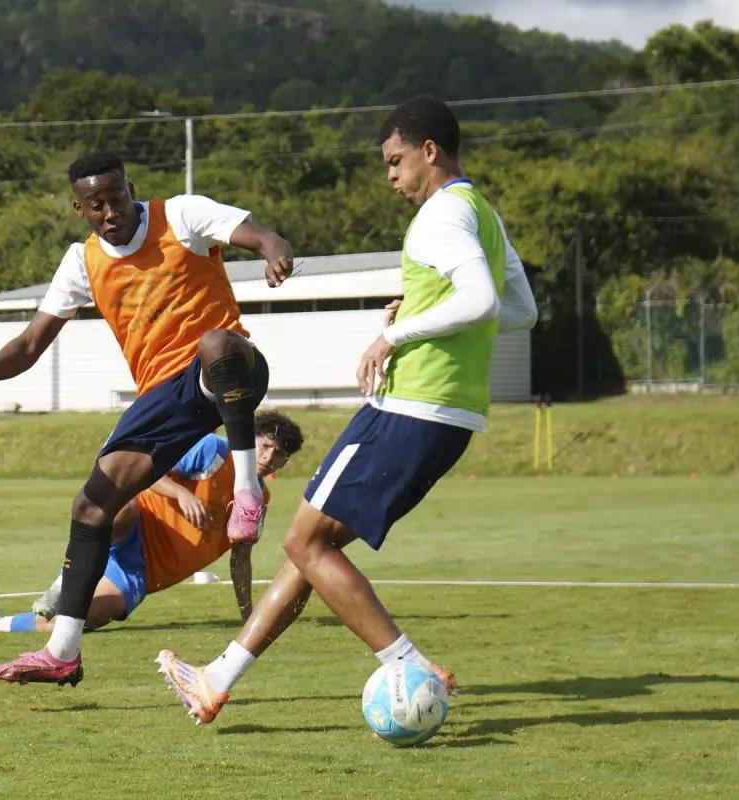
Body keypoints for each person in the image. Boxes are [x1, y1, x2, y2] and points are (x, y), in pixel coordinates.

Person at [155, 96, 538, 725]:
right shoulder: (482, 215)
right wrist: (417, 312)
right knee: (312, 548)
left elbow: (480, 302)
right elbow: (520, 310)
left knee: (306, 541)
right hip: (451, 416)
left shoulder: (441, 216)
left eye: (395, 161)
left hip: (410, 407)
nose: (390, 175)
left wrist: (397, 334)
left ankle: (408, 666)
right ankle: (216, 679)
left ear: (430, 152)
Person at [0, 152, 295, 685]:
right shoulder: (81, 262)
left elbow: (255, 234)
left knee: (216, 341)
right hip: (165, 400)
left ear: (129, 189)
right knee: (91, 508)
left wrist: (275, 250)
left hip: (232, 370)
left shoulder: (181, 216)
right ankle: (63, 652)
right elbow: (30, 341)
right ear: (80, 210)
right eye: (97, 205)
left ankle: (247, 493)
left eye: (117, 198)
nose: (111, 211)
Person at [0, 413, 304, 647]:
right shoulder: (213, 450)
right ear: (248, 438)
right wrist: (179, 493)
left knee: (80, 621)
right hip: (136, 526)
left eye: (279, 454)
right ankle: (62, 583)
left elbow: (241, 556)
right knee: (120, 506)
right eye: (265, 446)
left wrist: (248, 614)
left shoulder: (258, 498)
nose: (269, 457)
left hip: (139, 572)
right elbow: (142, 471)